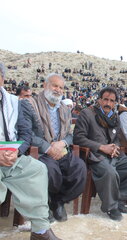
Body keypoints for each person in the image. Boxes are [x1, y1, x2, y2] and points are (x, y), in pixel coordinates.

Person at [0, 63, 61, 240]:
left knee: (37, 169)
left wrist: (16, 151)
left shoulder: (13, 102)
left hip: (11, 156)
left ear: (2, 78)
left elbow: (26, 133)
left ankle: (40, 231)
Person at [73, 87, 127, 221]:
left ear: (115, 103)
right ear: (99, 100)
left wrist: (114, 148)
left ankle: (118, 199)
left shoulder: (114, 116)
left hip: (113, 156)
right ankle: (111, 207)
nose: (108, 103)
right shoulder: (87, 114)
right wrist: (101, 147)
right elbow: (78, 138)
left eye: (111, 101)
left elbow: (117, 138)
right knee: (109, 172)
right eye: (105, 99)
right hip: (95, 156)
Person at [23, 73, 86, 222]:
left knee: (79, 168)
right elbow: (27, 134)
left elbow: (71, 135)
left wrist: (62, 143)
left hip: (60, 150)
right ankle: (47, 202)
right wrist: (48, 148)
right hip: (39, 152)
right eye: (54, 85)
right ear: (45, 85)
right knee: (51, 171)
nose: (58, 90)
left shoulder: (64, 108)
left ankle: (58, 202)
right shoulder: (30, 104)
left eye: (61, 87)